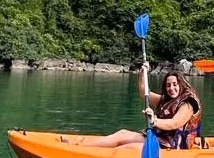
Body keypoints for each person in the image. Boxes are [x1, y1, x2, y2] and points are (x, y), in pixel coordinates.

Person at [61, 63, 202, 149]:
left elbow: (174, 123)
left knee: (127, 147)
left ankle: (82, 151)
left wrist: (155, 120)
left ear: (181, 85)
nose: (171, 88)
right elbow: (144, 92)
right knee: (122, 133)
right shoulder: (166, 100)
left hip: (173, 146)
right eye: (168, 85)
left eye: (175, 85)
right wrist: (143, 73)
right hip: (158, 139)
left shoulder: (188, 103)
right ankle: (78, 147)